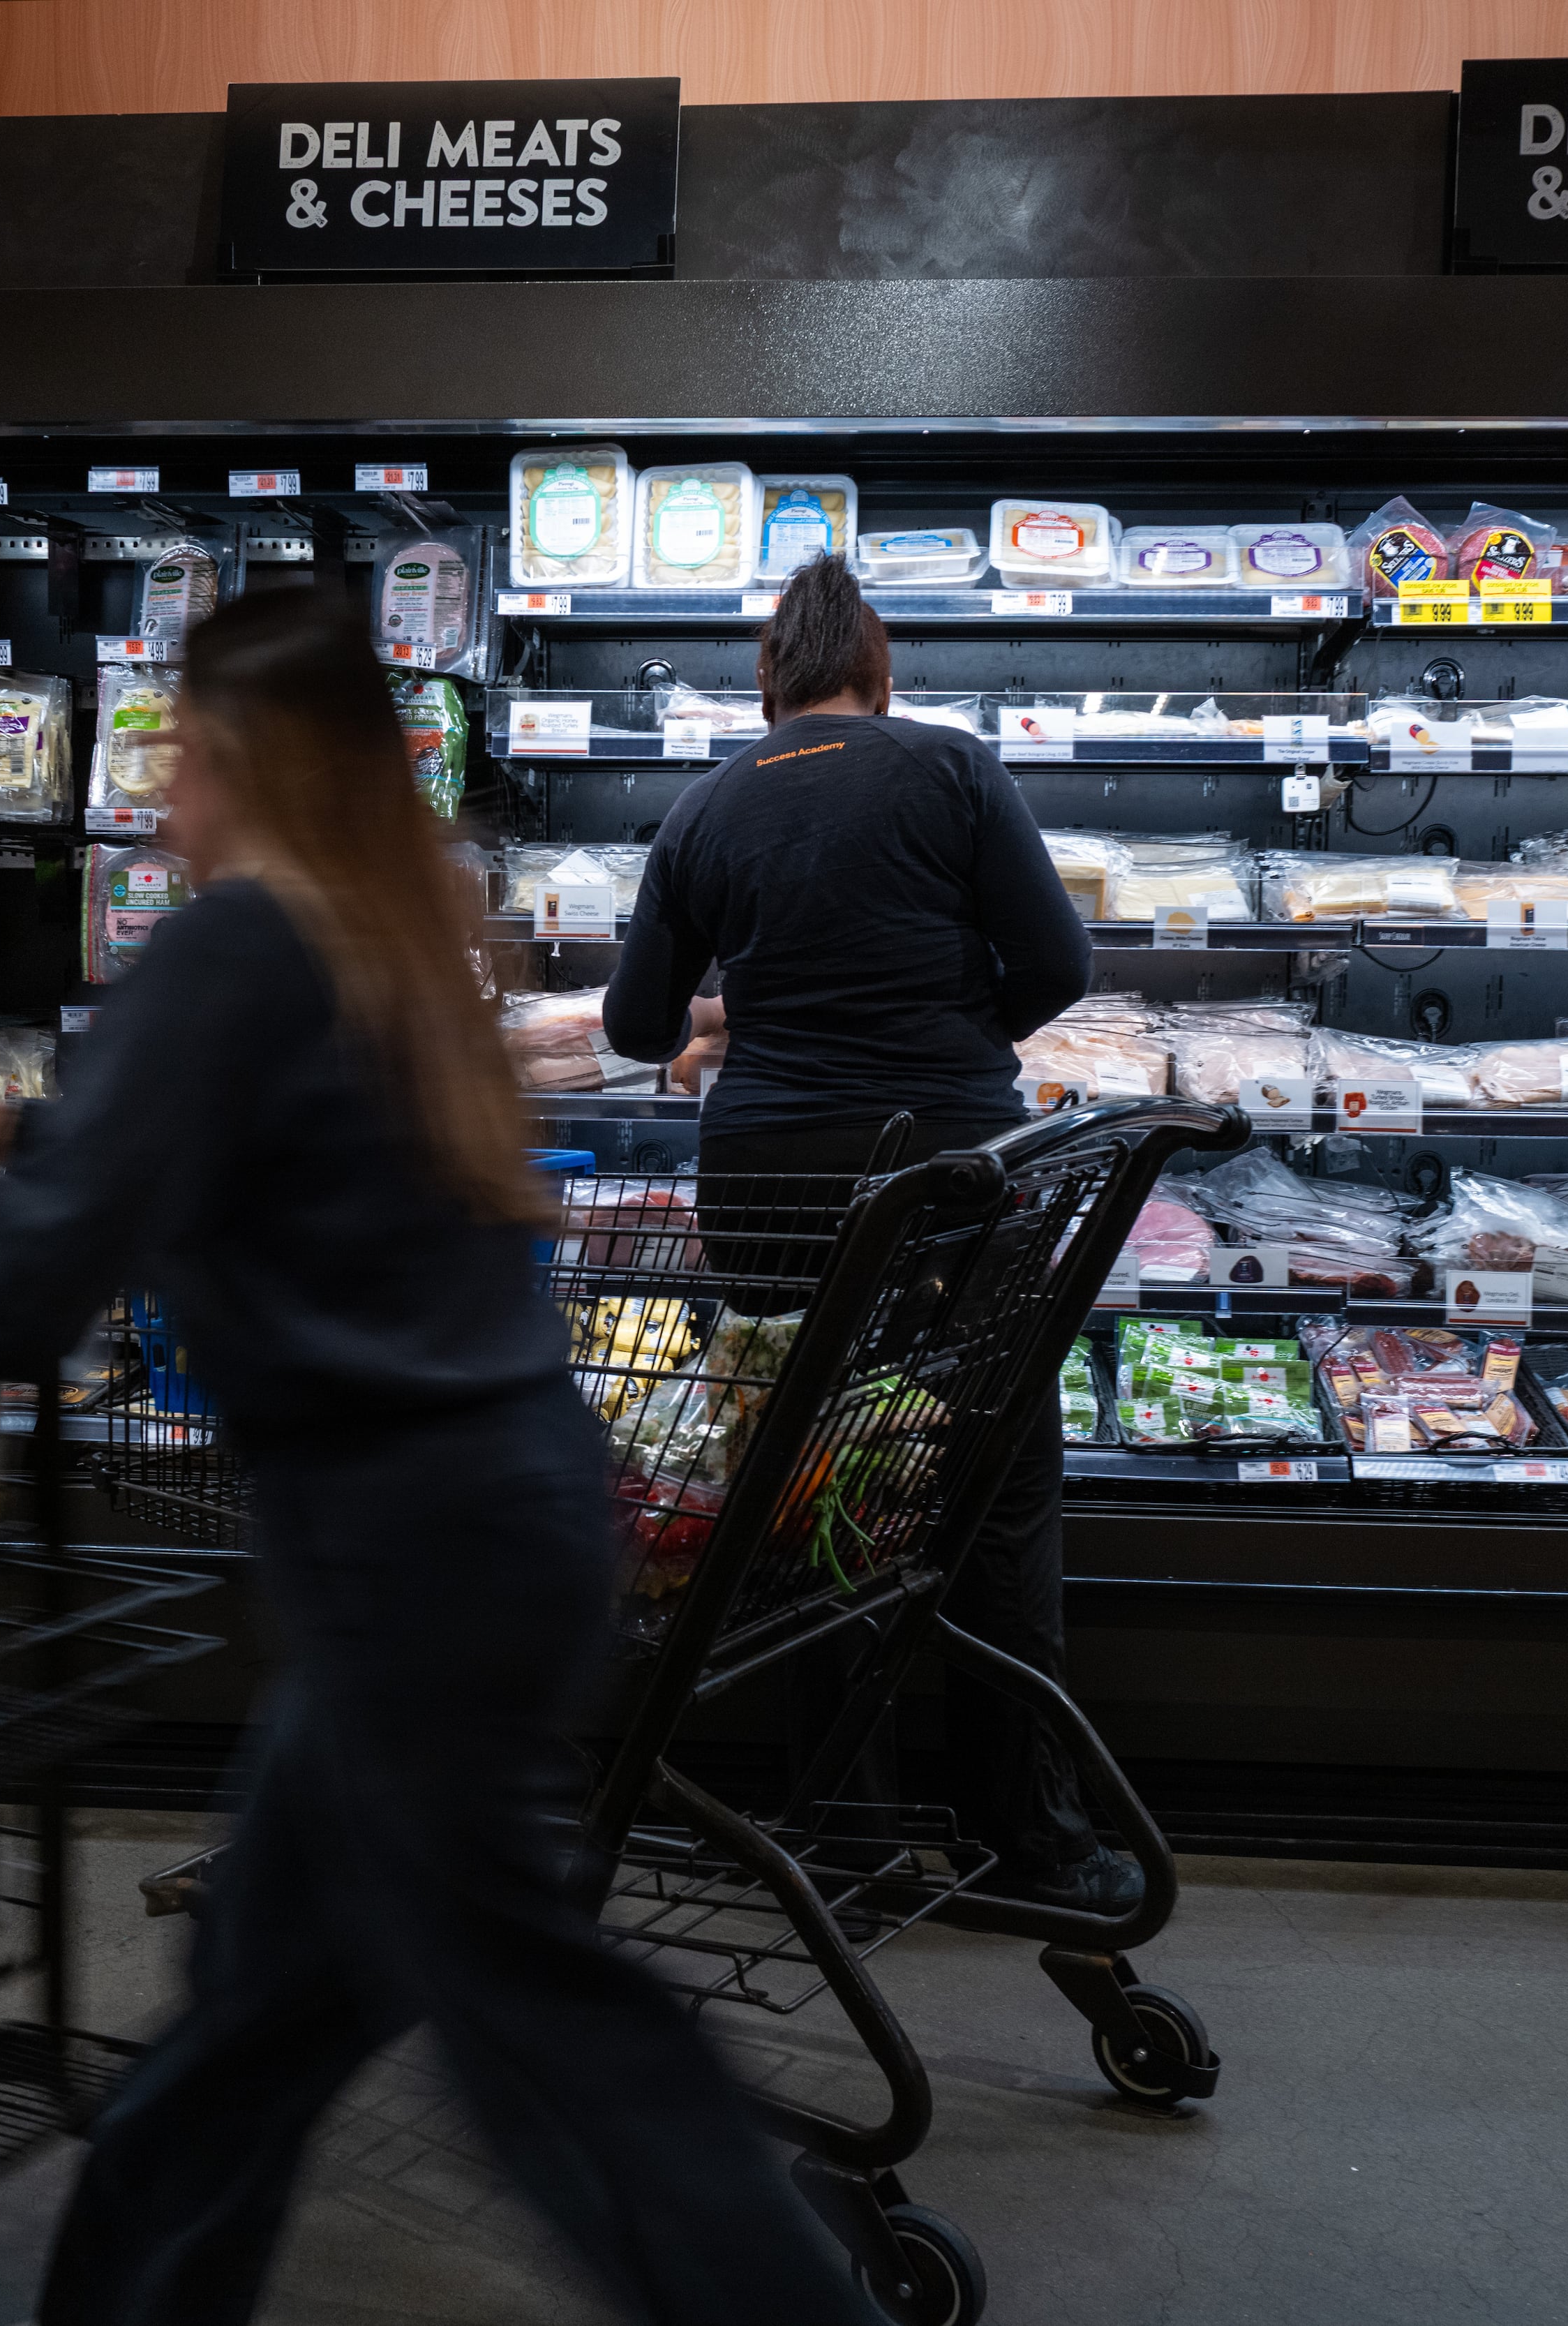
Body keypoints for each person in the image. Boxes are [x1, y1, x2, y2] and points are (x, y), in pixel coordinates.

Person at [0, 586, 875, 2326]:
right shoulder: (382, 932)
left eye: (175, 753)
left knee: (548, 2040)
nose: (158, 798)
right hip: (485, 1524)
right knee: (257, 2007)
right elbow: (229, 1152)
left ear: (237, 758)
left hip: (411, 1560)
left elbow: (25, 1281)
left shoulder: (240, 941)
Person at [599, 552, 1138, 1914]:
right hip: (951, 1173)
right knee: (989, 1487)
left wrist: (744, 1017)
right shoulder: (948, 769)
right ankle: (1037, 1845)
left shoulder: (704, 805)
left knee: (807, 1484)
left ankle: (841, 1831)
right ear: (876, 677)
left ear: (764, 682)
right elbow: (1059, 966)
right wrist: (953, 1046)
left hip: (768, 1184)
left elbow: (632, 1028)